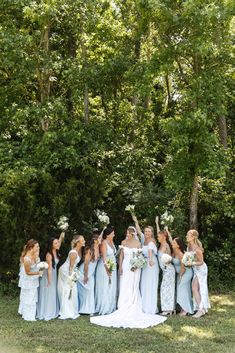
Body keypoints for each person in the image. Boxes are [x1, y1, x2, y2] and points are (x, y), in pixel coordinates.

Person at [90, 226, 167, 328]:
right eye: (126, 233)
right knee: (124, 284)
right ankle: (123, 304)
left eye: (128, 233)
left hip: (135, 268)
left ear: (132, 234)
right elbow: (121, 255)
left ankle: (133, 303)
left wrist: (136, 265)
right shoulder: (123, 242)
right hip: (126, 266)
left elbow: (140, 257)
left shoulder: (138, 243)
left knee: (134, 286)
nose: (127, 235)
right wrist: (120, 266)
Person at [132, 215, 160, 314]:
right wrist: (135, 220)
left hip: (151, 264)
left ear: (152, 233)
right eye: (146, 231)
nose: (147, 233)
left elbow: (150, 251)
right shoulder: (144, 239)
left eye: (149, 231)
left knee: (150, 284)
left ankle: (150, 307)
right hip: (145, 265)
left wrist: (151, 259)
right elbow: (139, 231)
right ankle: (144, 306)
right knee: (144, 284)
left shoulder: (152, 241)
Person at [37, 232, 65, 320]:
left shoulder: (55, 250)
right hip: (48, 276)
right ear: (52, 245)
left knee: (52, 293)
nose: (58, 244)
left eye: (57, 242)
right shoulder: (49, 255)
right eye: (56, 243)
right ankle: (47, 312)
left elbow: (59, 242)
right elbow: (48, 269)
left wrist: (61, 235)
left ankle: (52, 310)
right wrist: (49, 281)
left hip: (53, 274)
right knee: (49, 293)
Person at [57, 235, 85, 319]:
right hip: (66, 271)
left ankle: (71, 308)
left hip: (71, 270)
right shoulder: (73, 253)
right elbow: (70, 267)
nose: (84, 241)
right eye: (82, 240)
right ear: (78, 242)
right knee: (68, 288)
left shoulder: (78, 250)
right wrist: (71, 278)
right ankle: (66, 311)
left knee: (72, 289)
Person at [186, 229, 210, 317]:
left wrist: (192, 263)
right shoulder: (189, 247)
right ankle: (202, 308)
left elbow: (201, 262)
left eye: (188, 235)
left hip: (201, 269)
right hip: (195, 269)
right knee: (196, 289)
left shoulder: (197, 248)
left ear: (193, 237)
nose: (187, 236)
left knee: (195, 288)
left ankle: (201, 310)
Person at [95, 226, 117, 315]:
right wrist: (107, 269)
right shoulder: (104, 243)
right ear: (107, 235)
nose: (114, 234)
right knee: (105, 286)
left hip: (112, 266)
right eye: (112, 233)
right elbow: (104, 258)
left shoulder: (112, 241)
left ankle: (111, 306)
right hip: (105, 267)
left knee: (111, 286)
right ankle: (104, 307)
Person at [78, 231, 101, 315]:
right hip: (84, 272)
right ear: (95, 240)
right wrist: (85, 275)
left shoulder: (98, 248)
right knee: (87, 290)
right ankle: (83, 309)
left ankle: (89, 309)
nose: (100, 239)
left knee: (91, 290)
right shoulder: (89, 250)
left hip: (91, 273)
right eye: (99, 238)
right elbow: (86, 264)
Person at [156, 216, 175, 315]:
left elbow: (170, 257)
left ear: (164, 237)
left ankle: (168, 309)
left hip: (168, 269)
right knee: (164, 288)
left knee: (166, 288)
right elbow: (159, 232)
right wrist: (157, 223)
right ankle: (167, 309)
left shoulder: (166, 245)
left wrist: (168, 261)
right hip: (165, 270)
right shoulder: (162, 244)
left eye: (159, 236)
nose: (157, 237)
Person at [18, 239, 41, 321]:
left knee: (33, 296)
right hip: (28, 280)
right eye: (37, 246)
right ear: (31, 247)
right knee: (29, 297)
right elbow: (27, 272)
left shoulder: (35, 254)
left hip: (33, 279)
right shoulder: (27, 259)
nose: (38, 248)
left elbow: (37, 265)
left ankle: (32, 313)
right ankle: (28, 315)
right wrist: (38, 273)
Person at [172, 237, 193, 315]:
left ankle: (185, 310)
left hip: (185, 273)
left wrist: (180, 276)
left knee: (182, 289)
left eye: (174, 243)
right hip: (180, 273)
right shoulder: (174, 251)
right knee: (183, 290)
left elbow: (183, 267)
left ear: (178, 245)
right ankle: (184, 308)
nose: (172, 244)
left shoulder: (181, 254)